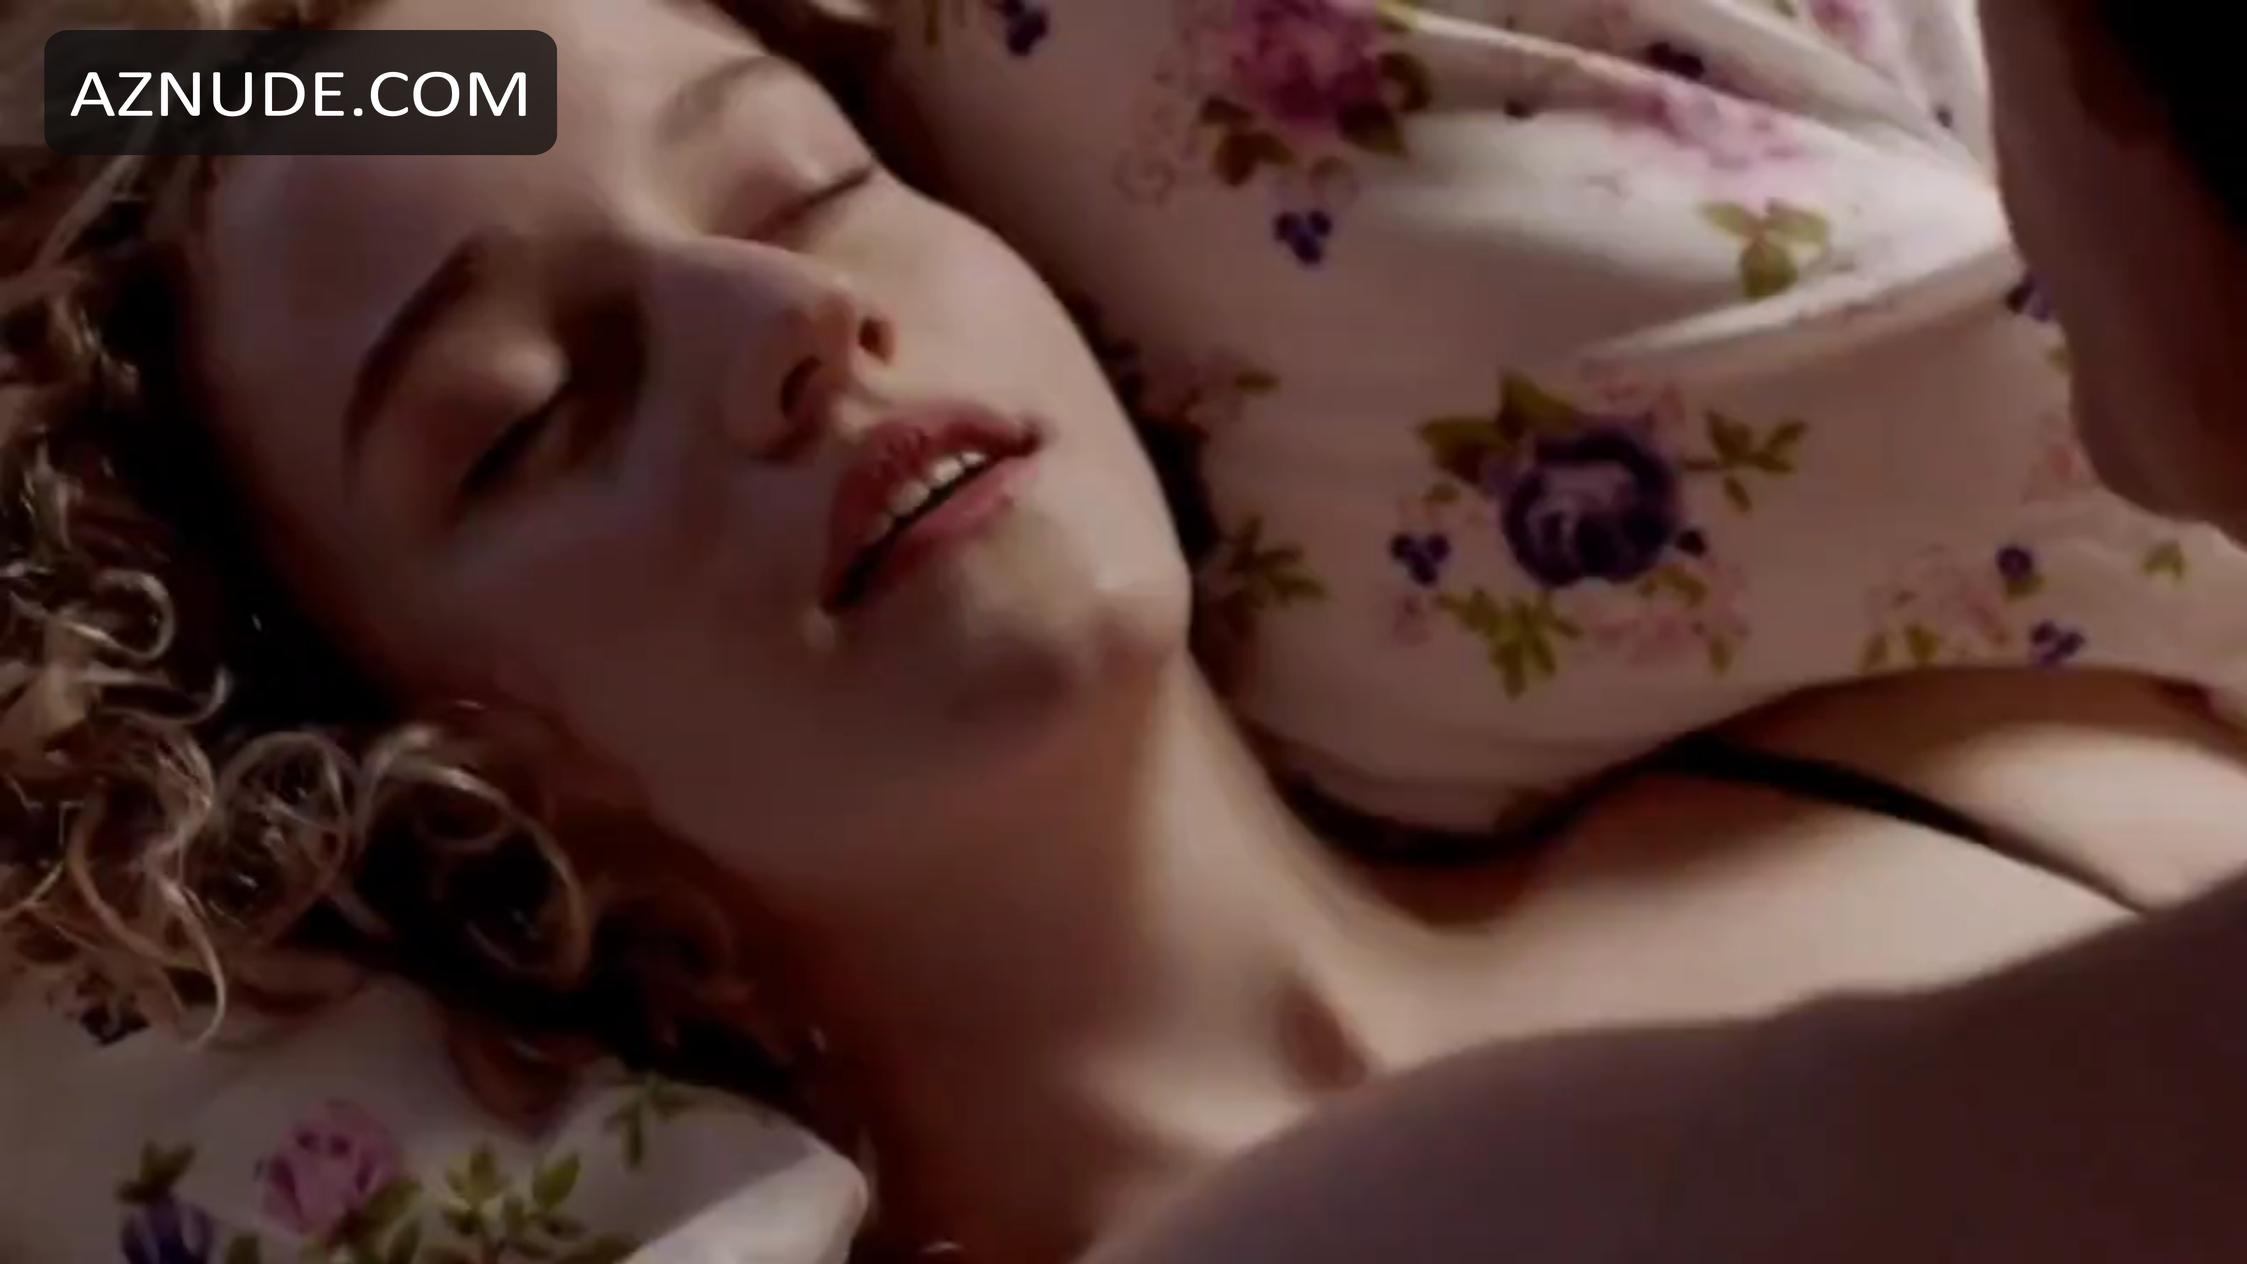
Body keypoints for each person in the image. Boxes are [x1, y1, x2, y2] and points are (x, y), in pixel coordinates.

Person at [6, 0, 2247, 1260]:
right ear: (438, 773)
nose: (786, 322)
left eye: (800, 185)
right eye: (531, 416)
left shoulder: (1981, 777)